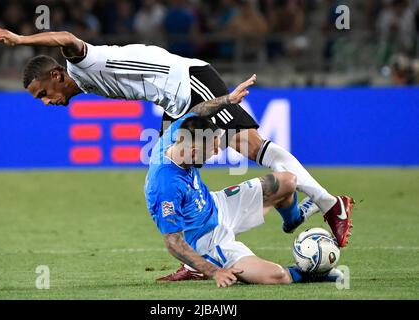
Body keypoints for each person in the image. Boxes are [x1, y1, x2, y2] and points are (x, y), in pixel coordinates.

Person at [0, 26, 354, 280]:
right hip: (173, 102)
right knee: (177, 172)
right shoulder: (82, 80)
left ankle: (327, 204)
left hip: (190, 83)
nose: (46, 102)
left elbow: (65, 37)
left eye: (42, 94)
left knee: (252, 146)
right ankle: (202, 260)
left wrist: (19, 39)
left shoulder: (82, 63)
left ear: (56, 77)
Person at [145, 75, 343, 287]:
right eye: (210, 150)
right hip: (209, 239)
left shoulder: (176, 134)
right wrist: (214, 272)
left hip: (217, 204)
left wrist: (228, 99)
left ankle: (294, 219)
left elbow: (199, 110)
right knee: (277, 277)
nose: (214, 152)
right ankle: (310, 273)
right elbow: (173, 242)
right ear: (193, 151)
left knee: (288, 180)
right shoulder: (165, 186)